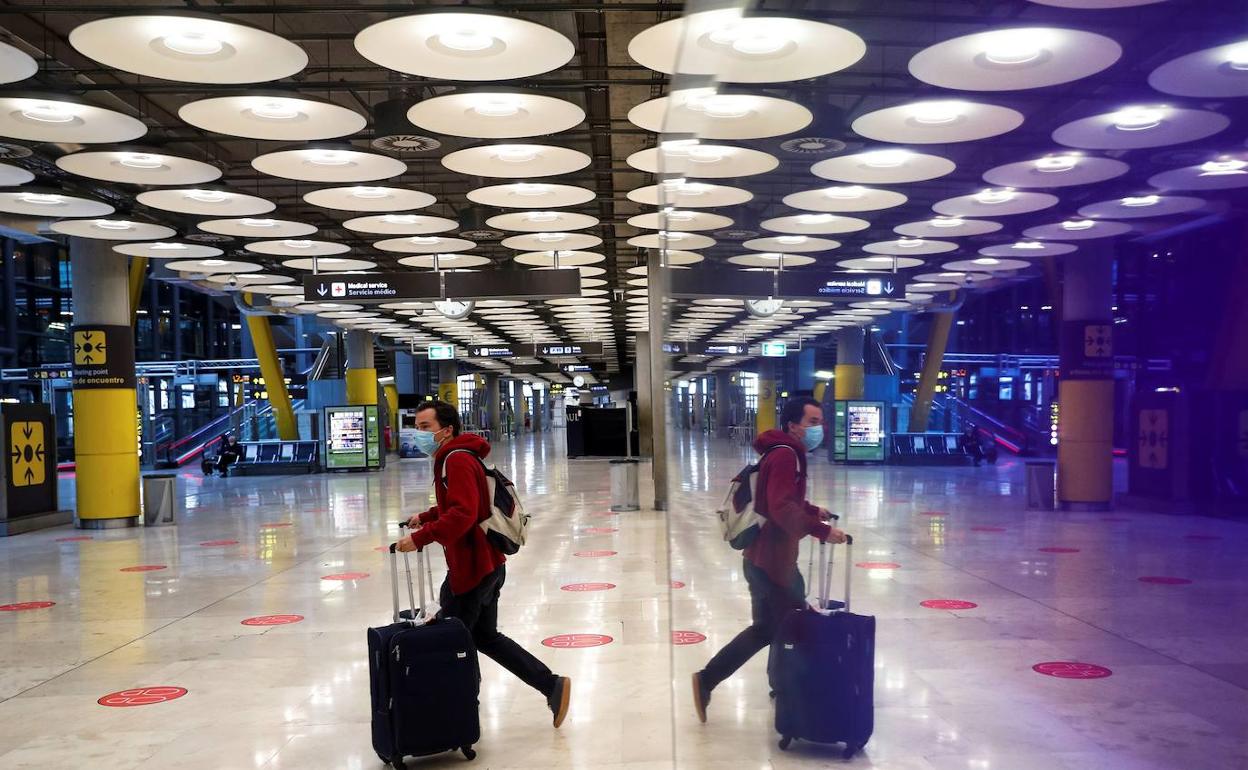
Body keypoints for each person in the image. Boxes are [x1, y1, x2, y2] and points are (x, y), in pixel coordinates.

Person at [397, 400, 572, 728]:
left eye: (425, 427)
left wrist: (420, 539)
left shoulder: (456, 460)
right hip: (488, 565)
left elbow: (463, 515)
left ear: (446, 431)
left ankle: (459, 715)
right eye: (416, 426)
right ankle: (551, 685)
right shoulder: (460, 455)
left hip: (472, 569)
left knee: (452, 641)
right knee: (485, 637)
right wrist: (428, 516)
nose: (418, 434)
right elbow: (468, 505)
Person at [691, 396, 848, 723]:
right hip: (775, 562)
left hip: (760, 558)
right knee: (797, 625)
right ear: (793, 425)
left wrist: (811, 510)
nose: (819, 428)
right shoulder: (787, 456)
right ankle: (792, 689)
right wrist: (821, 530)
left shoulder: (780, 452)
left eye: (821, 421)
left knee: (767, 629)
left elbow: (780, 499)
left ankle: (710, 679)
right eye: (812, 422)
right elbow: (779, 508)